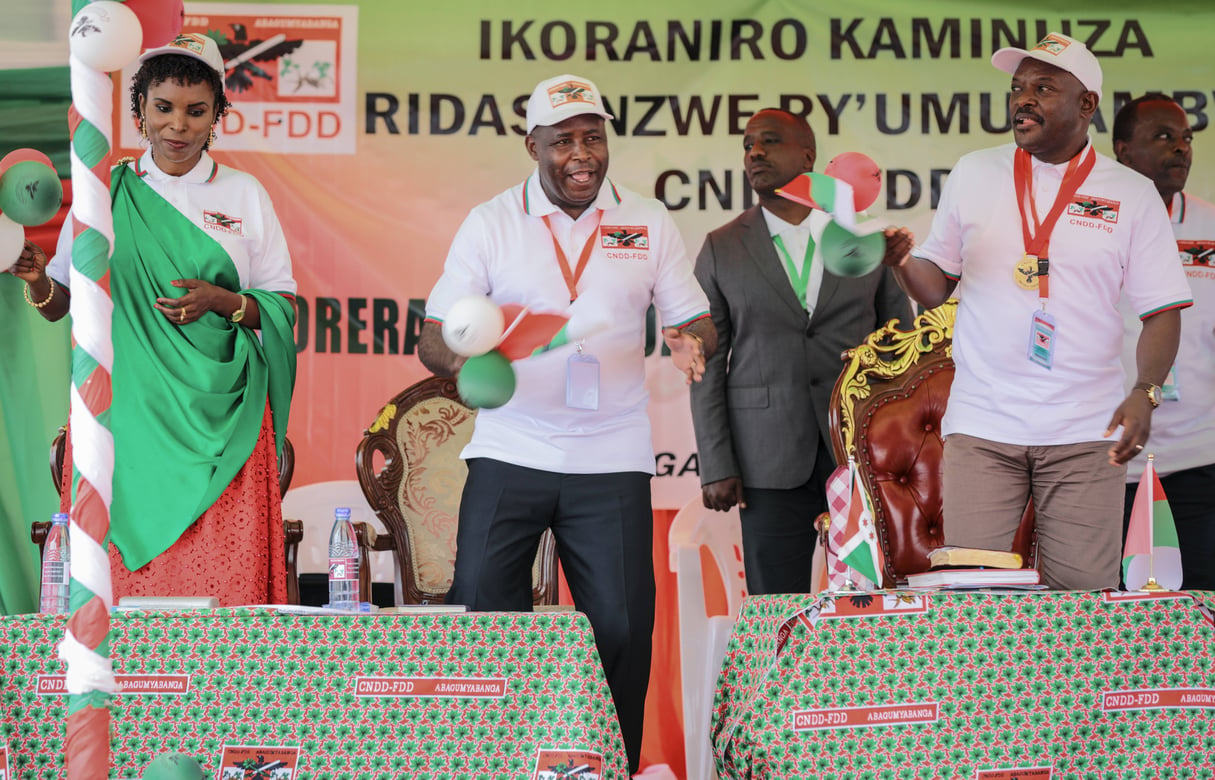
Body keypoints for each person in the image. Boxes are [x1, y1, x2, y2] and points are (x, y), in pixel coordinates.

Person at [418, 73, 715, 773]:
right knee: (484, 619)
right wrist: (463, 367)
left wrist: (689, 340)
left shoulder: (645, 221)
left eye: (592, 138)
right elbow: (435, 332)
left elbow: (693, 317)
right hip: (510, 448)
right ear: (532, 146)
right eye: (563, 142)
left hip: (610, 455)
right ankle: (488, 761)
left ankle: (603, 765)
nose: (581, 154)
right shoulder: (491, 222)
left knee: (619, 626)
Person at [881, 33, 1192, 590]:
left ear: (1087, 105)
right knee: (975, 610)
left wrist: (1145, 391)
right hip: (983, 426)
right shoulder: (975, 173)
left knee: (1082, 608)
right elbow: (935, 288)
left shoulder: (1132, 193)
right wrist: (903, 260)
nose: (1023, 99)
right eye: (1018, 88)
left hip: (1085, 431)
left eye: (1043, 88)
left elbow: (1162, 311)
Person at [9, 34, 297, 606]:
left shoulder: (244, 194)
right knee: (121, 581)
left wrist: (222, 300)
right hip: (126, 415)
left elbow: (283, 307)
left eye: (196, 111)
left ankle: (226, 690)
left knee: (225, 587)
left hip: (227, 418)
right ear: (139, 109)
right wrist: (38, 280)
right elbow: (66, 303)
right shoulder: (103, 192)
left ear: (218, 113)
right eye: (163, 108)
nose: (178, 126)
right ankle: (128, 689)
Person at [689, 108, 912, 594]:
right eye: (747, 145)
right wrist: (717, 463)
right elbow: (706, 364)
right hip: (766, 459)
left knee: (866, 608)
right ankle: (777, 675)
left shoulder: (864, 238)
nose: (755, 153)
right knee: (775, 610)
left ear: (809, 156)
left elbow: (901, 349)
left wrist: (903, 452)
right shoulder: (722, 247)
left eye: (769, 141)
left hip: (859, 455)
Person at [1113, 93, 1215, 590]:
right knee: (1106, 619)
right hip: (1105, 461)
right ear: (1122, 150)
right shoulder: (1091, 221)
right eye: (1163, 137)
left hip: (1199, 459)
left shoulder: (1210, 225)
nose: (1181, 149)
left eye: (1186, 138)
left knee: (1200, 609)